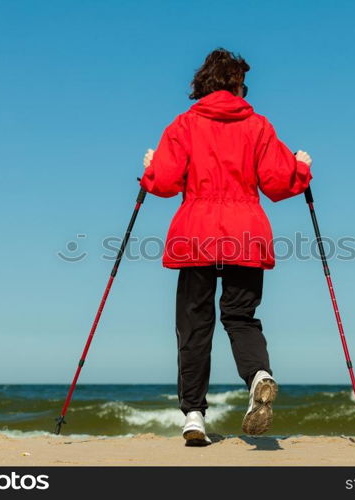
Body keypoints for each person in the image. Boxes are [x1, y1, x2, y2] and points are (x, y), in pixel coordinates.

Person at [140, 48, 313, 446]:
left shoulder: (183, 125)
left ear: (202, 82)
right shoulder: (258, 126)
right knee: (240, 316)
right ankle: (258, 376)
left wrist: (150, 168)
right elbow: (278, 182)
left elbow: (164, 183)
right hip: (246, 233)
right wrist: (301, 167)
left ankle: (195, 415)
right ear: (237, 84)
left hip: (196, 233)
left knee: (194, 325)